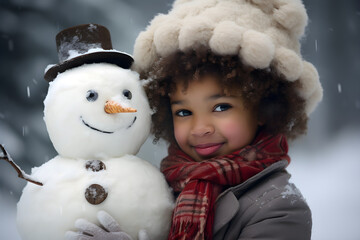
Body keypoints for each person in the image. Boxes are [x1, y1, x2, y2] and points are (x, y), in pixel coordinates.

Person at [67, 0, 323, 239]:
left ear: (263, 108)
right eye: (184, 112)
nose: (200, 129)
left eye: (221, 107)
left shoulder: (280, 208)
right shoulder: (159, 189)